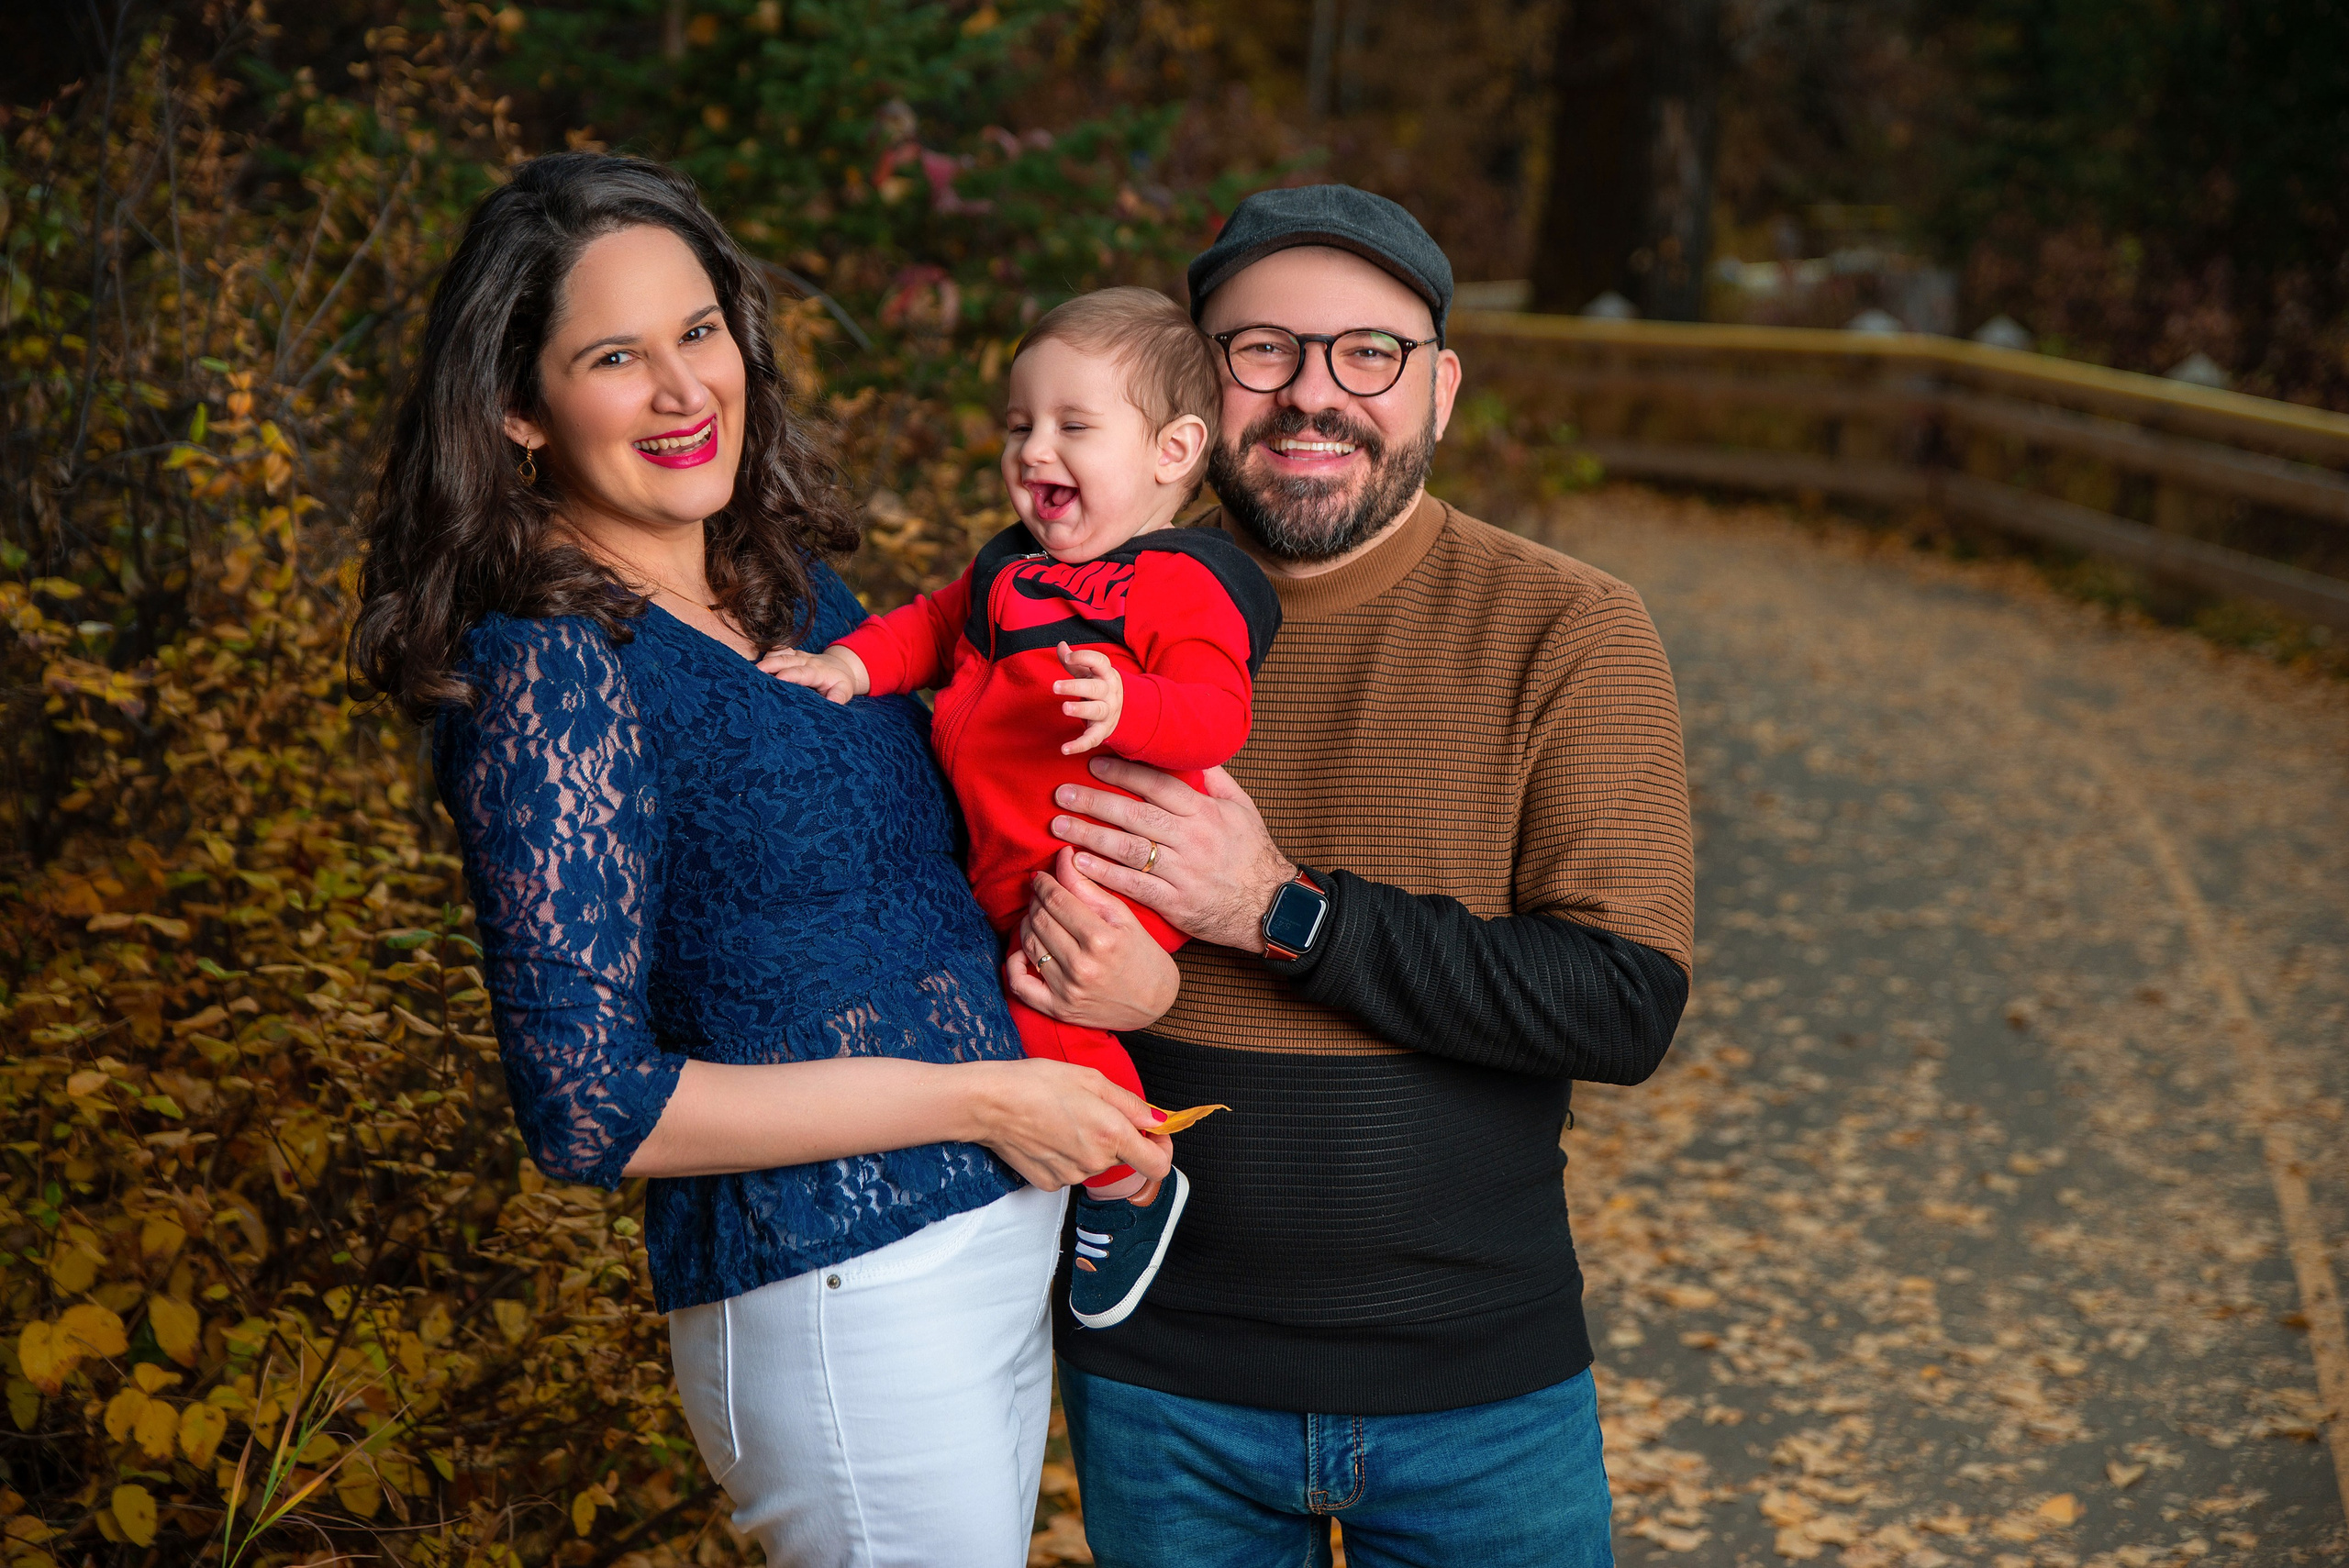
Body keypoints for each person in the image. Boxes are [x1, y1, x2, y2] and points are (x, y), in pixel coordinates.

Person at [349, 152, 1176, 1568]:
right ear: (516, 409)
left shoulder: (789, 589)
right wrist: (982, 1093)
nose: (684, 391)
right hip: (837, 1284)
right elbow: (589, 1109)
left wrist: (1122, 978)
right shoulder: (552, 665)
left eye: (700, 330)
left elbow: (931, 869)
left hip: (991, 1236)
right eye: (615, 355)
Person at [1039, 185, 1697, 1566]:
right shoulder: (1067, 621)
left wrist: (1279, 912)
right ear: (1188, 393)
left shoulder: (1570, 631)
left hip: (1481, 1402)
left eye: (1368, 355)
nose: (1311, 396)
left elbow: (1622, 1003)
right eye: (1259, 351)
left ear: (1441, 389)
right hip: (1165, 1390)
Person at [765, 288, 1280, 1330]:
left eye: (1073, 427)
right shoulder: (1012, 570)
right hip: (1001, 863)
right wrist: (847, 667)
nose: (1034, 448)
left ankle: (1131, 1172)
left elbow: (1218, 713)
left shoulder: (1176, 585)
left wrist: (1134, 704)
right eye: (1020, 425)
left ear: (1174, 450)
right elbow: (925, 622)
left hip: (1101, 868)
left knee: (1048, 1016)